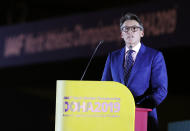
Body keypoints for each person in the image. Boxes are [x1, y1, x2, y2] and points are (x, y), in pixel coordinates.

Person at [101, 12, 168, 131]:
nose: (130, 32)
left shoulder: (154, 56)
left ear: (142, 33)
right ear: (121, 34)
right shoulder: (113, 57)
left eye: (134, 28)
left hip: (144, 117)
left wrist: (139, 106)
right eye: (126, 29)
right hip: (117, 117)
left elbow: (161, 90)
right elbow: (104, 86)